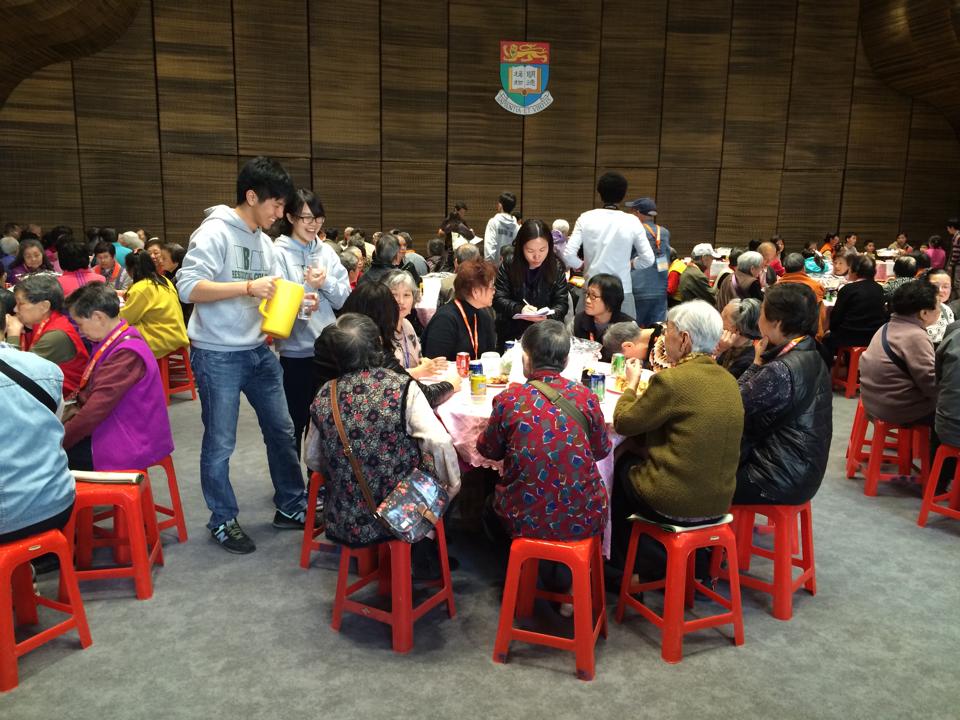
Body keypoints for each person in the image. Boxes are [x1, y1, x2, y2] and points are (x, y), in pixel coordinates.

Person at [176, 156, 308, 554]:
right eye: (276, 204)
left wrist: (296, 304)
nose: (279, 214)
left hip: (258, 351)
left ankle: (291, 505)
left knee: (282, 429)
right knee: (220, 441)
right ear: (252, 197)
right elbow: (188, 287)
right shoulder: (215, 232)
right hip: (217, 354)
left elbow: (268, 294)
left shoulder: (264, 242)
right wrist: (247, 288)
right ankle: (222, 519)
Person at [305, 314, 460, 576]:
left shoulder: (325, 393)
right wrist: (452, 484)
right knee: (448, 478)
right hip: (400, 512)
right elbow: (439, 441)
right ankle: (421, 556)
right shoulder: (401, 387)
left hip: (347, 517)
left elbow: (312, 458)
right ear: (378, 343)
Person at [611, 300, 744, 571]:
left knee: (621, 466)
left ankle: (623, 569)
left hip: (676, 500)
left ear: (684, 340)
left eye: (668, 331)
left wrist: (631, 386)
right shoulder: (728, 380)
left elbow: (624, 422)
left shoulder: (673, 381)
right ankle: (663, 563)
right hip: (719, 500)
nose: (663, 337)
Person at [478, 320, 611, 541]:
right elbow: (601, 450)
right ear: (566, 361)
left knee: (489, 505)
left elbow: (488, 450)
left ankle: (519, 561)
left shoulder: (509, 399)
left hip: (524, 517)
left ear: (525, 357)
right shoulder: (586, 397)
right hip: (586, 515)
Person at [734, 284, 832, 505]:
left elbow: (732, 404)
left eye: (762, 313)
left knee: (699, 480)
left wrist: (756, 363)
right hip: (800, 469)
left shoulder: (780, 369)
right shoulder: (810, 350)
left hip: (777, 476)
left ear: (777, 323)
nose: (759, 319)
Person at [272, 188, 351, 460]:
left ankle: (318, 479)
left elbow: (343, 297)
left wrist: (324, 282)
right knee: (294, 423)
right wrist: (306, 292)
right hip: (295, 353)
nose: (313, 224)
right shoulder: (278, 253)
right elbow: (277, 306)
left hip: (327, 352)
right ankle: (293, 480)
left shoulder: (326, 252)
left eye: (317, 218)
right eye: (306, 217)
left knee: (327, 423)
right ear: (290, 217)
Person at [62, 284, 174, 472]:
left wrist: (60, 440)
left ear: (98, 317)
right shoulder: (117, 337)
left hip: (130, 439)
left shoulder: (126, 353)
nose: (80, 331)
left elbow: (95, 410)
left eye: (80, 324)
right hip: (119, 425)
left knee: (51, 460)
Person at [315, 281, 458, 408]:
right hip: (360, 419)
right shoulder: (374, 350)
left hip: (324, 413)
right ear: (386, 314)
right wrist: (450, 385)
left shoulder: (329, 335)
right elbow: (422, 396)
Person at [0, 310, 75, 545]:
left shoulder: (56, 335)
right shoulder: (44, 367)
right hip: (55, 502)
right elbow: (55, 422)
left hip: (9, 519)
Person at [561, 172, 654, 320]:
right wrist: (631, 264)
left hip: (591, 289)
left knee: (584, 332)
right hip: (622, 290)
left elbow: (568, 255)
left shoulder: (586, 218)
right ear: (623, 195)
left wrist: (581, 265)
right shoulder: (632, 221)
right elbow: (648, 259)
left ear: (599, 194)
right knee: (623, 333)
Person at [859, 280, 939, 426]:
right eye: (938, 305)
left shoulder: (886, 327)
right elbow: (930, 384)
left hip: (873, 401)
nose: (940, 310)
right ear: (924, 313)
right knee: (950, 411)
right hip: (897, 410)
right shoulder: (915, 336)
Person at [5, 273, 89, 396]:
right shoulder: (34, 323)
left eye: (20, 304)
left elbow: (16, 375)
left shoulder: (56, 335)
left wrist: (13, 334)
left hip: (64, 400)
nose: (15, 309)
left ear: (44, 306)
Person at [492, 219, 569, 350]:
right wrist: (519, 309)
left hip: (546, 335)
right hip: (511, 334)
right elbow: (498, 298)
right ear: (521, 247)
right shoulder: (509, 264)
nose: (537, 256)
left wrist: (548, 316)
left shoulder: (556, 267)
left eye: (542, 249)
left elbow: (562, 304)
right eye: (530, 250)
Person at [421, 259, 497, 361]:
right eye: (491, 287)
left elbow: (490, 356)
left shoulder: (484, 315)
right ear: (475, 292)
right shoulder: (445, 320)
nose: (494, 291)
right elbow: (435, 363)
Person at [820, 254, 888, 366]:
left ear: (855, 270)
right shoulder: (879, 288)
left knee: (826, 340)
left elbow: (836, 319)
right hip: (874, 335)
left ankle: (827, 373)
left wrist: (829, 329)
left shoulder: (848, 289)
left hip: (849, 336)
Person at [120, 251, 189, 359]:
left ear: (131, 269)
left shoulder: (141, 287)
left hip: (159, 338)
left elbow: (126, 318)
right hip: (177, 334)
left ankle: (136, 368)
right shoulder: (164, 280)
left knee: (119, 333)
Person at [384, 270, 443, 378]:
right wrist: (418, 371)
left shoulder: (407, 325)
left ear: (414, 298)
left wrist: (427, 364)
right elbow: (385, 378)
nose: (401, 301)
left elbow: (417, 361)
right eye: (394, 295)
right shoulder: (380, 331)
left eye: (406, 295)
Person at [624, 197, 671, 324]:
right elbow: (666, 261)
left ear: (637, 212)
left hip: (637, 288)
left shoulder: (634, 231)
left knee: (634, 328)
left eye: (632, 211)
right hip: (660, 289)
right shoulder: (664, 233)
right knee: (657, 328)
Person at [572, 273, 633, 357]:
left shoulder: (627, 326)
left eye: (593, 296)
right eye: (587, 294)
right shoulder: (578, 321)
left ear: (610, 300)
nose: (587, 300)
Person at [779, 252, 827, 337]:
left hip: (782, 333)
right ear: (804, 267)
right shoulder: (815, 286)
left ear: (785, 269)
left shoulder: (776, 287)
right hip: (808, 333)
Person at [715, 298, 762, 379]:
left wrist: (719, 351)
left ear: (737, 329)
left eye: (725, 316)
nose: (719, 318)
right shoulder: (727, 343)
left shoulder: (747, 361)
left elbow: (717, 382)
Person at [482, 192, 519, 264]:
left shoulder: (493, 222)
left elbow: (489, 246)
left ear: (500, 205)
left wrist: (488, 264)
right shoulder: (516, 227)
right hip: (509, 267)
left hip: (494, 267)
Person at [925, 269, 955, 345]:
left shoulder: (947, 310)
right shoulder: (915, 310)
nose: (940, 290)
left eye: (945, 286)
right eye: (935, 286)